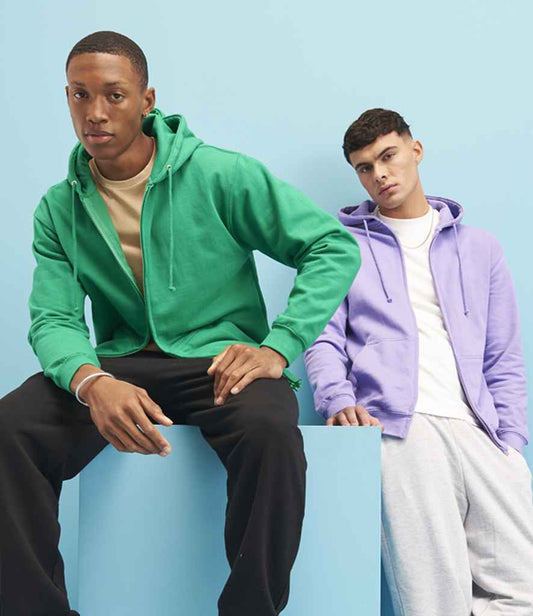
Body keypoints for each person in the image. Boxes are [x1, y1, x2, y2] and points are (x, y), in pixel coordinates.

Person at [0, 31, 360, 616]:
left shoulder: (220, 174)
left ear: (147, 101)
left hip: (219, 362)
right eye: (80, 94)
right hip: (121, 366)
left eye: (114, 95)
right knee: (10, 428)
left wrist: (279, 346)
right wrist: (93, 382)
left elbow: (330, 247)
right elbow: (54, 318)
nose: (95, 112)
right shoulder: (58, 208)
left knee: (271, 432)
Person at [304, 108, 533, 615]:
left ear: (416, 150)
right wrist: (338, 400)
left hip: (481, 432)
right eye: (365, 167)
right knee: (433, 600)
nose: (380, 174)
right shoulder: (341, 250)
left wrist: (511, 443)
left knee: (524, 591)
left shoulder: (480, 248)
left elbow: (503, 356)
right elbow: (322, 341)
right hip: (401, 431)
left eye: (388, 156)